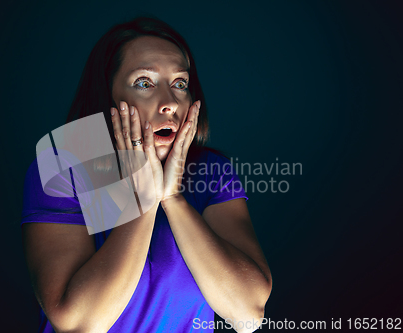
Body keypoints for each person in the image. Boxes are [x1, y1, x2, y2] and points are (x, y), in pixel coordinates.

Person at [21, 17, 272, 333]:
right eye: (144, 83)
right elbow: (80, 323)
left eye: (179, 84)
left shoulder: (212, 171)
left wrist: (173, 199)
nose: (169, 103)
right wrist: (144, 201)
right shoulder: (61, 167)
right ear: (108, 95)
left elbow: (247, 315)